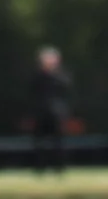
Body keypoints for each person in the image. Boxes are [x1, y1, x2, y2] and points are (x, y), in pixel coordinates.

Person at [30, 46, 76, 177]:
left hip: (57, 113)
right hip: (40, 113)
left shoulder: (61, 75)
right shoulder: (38, 75)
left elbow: (67, 89)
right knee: (39, 143)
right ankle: (39, 169)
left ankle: (59, 169)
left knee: (59, 142)